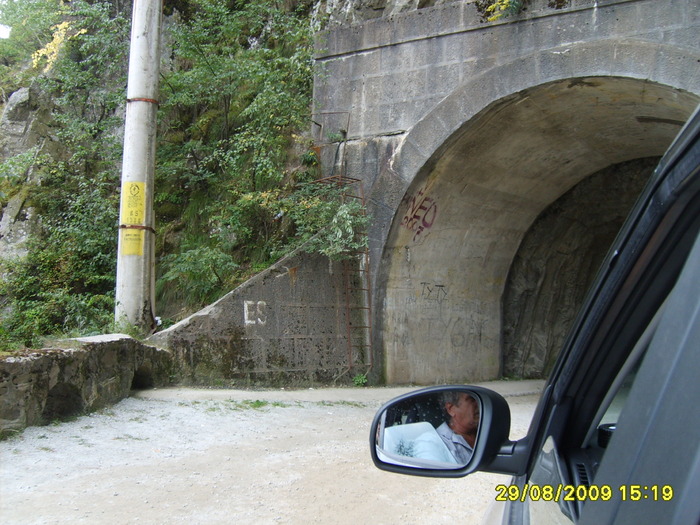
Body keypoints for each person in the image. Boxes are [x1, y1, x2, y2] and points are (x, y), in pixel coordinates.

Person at [435, 391, 480, 464]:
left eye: (479, 399)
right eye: (472, 400)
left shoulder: (485, 431)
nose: (479, 404)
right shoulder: (437, 443)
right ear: (451, 409)